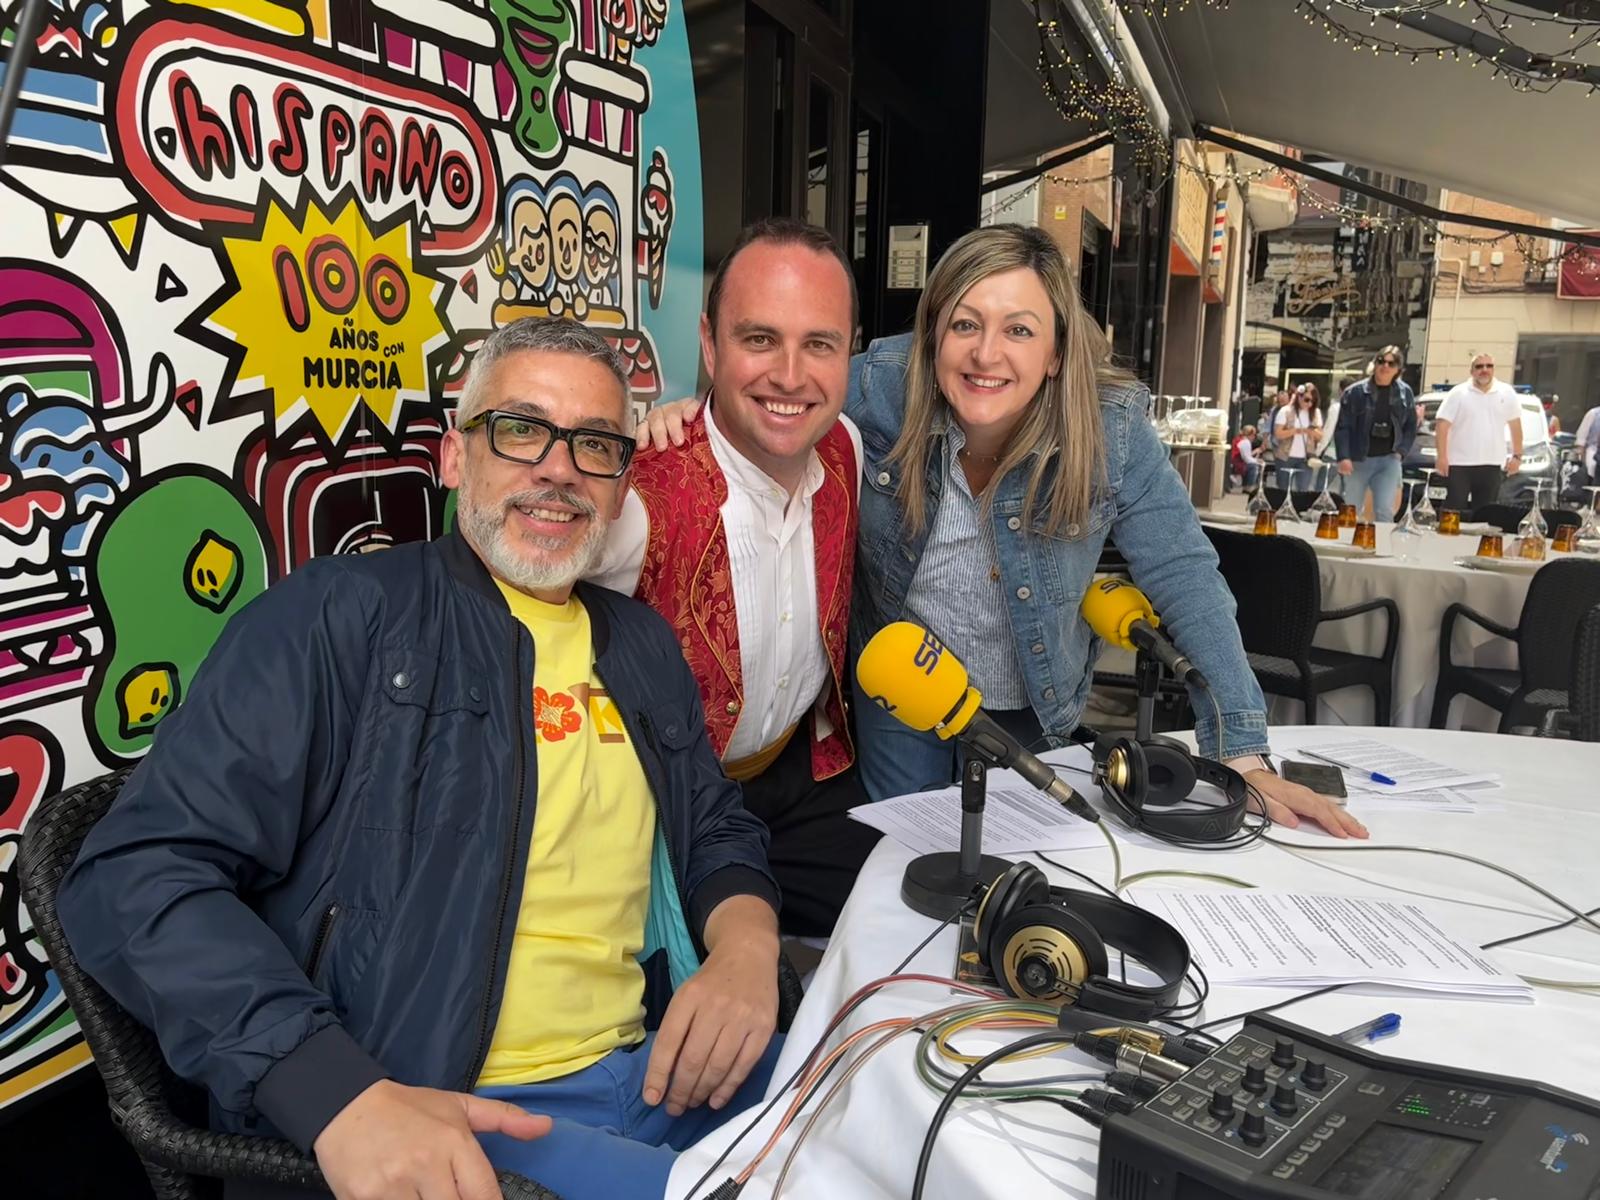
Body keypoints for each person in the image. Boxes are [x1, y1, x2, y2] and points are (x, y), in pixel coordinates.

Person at [58, 318, 785, 1200]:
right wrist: (333, 1094)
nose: (558, 468)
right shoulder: (338, 618)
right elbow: (134, 875)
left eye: (594, 444)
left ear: (622, 481)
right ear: (453, 457)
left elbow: (714, 823)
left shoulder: (637, 644)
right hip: (460, 1117)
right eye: (520, 429)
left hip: (660, 1070)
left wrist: (745, 947)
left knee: (900, 1110)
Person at [639, 226, 1363, 840]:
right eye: (965, 324)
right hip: (902, 691)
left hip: (1031, 695)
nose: (987, 354)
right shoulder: (879, 386)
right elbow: (779, 385)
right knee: (911, 863)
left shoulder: (1110, 431)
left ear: (1053, 352)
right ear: (934, 335)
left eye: (1019, 329)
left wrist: (1241, 752)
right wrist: (691, 418)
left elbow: (1185, 574)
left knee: (1017, 871)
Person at [590, 218, 880, 938]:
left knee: (916, 929)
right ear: (709, 346)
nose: (789, 375)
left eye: (819, 344)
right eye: (759, 339)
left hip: (801, 780)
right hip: (666, 812)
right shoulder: (640, 502)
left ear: (851, 354)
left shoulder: (845, 443)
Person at [1335, 345, 1417, 522]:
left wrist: (1401, 452)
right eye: (1381, 361)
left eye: (1391, 363)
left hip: (1389, 460)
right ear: (1375, 363)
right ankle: (1345, 546)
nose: (1385, 366)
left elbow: (1411, 425)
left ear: (1398, 369)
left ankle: (1382, 549)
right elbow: (1343, 427)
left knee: (1384, 511)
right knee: (1350, 509)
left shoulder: (1405, 393)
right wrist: (1344, 457)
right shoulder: (1355, 392)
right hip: (1358, 459)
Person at [1436, 352, 1522, 513]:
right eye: (1479, 366)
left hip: (1492, 464)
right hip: (1459, 464)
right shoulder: (1458, 393)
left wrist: (1517, 456)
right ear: (1471, 371)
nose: (1484, 370)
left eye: (1489, 366)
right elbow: (1442, 425)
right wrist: (1442, 457)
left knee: (1485, 514)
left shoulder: (1506, 392)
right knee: (1453, 512)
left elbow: (1515, 425)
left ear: (1494, 369)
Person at [1273, 386, 1322, 490]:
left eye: (1313, 401)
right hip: (1285, 457)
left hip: (1306, 459)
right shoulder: (1286, 411)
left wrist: (1310, 431)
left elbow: (1320, 436)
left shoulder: (1315, 413)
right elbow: (1278, 433)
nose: (1309, 404)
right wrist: (1296, 431)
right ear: (1299, 397)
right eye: (1307, 400)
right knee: (1283, 491)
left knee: (1303, 490)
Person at [1230, 423, 1261, 491]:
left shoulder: (1239, 439)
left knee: (1251, 464)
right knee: (1253, 466)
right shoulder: (1246, 442)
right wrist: (1257, 461)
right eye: (1254, 435)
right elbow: (1246, 458)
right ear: (1250, 435)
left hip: (1235, 461)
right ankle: (1249, 485)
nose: (1254, 437)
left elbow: (1245, 455)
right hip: (1239, 463)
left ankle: (1246, 485)